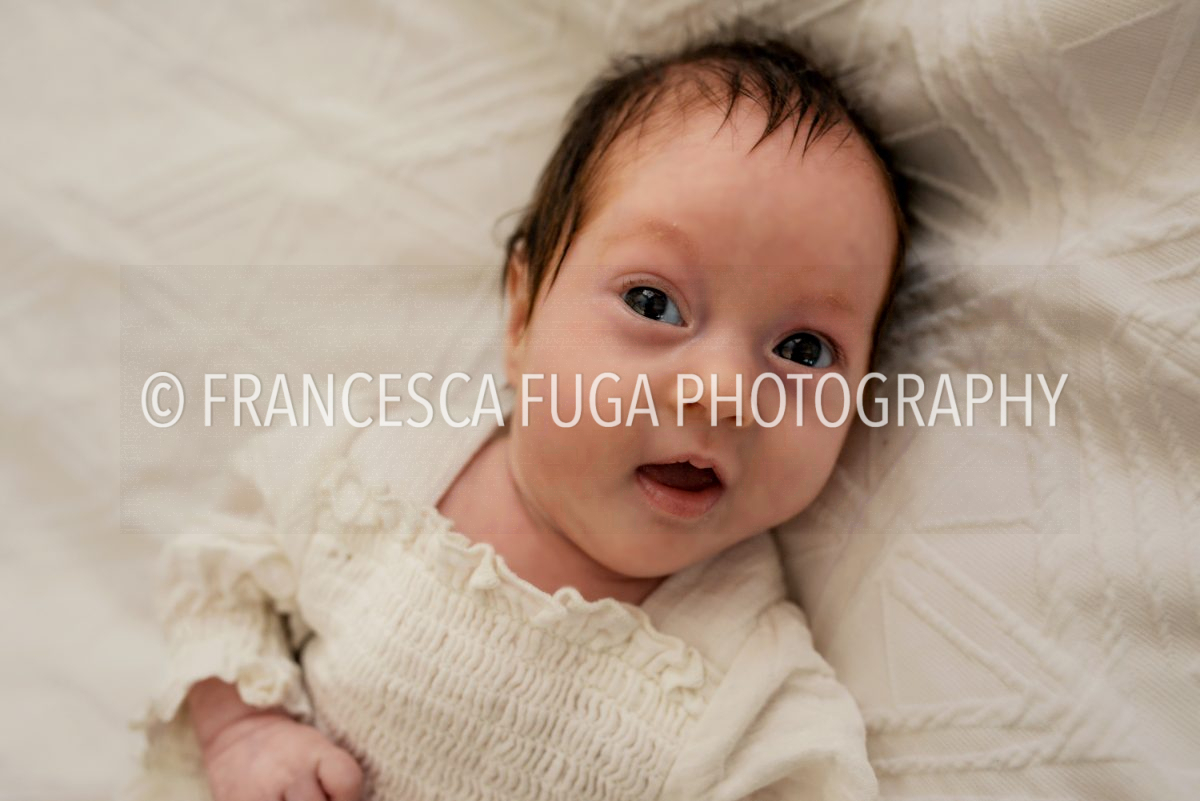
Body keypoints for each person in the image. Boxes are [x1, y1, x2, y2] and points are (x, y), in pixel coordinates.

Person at [129, 25, 907, 801]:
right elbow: (221, 570)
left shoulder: (751, 689)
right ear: (523, 314)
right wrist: (245, 730)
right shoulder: (375, 472)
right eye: (652, 303)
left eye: (804, 350)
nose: (723, 391)